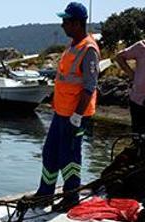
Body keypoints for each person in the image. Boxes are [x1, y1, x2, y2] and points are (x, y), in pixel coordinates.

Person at [31, 2, 100, 211]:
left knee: (69, 157)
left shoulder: (88, 49)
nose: (62, 25)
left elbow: (89, 86)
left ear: (77, 23)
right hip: (61, 112)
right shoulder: (72, 46)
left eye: (66, 21)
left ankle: (71, 197)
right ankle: (45, 193)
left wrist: (77, 116)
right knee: (50, 152)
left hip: (75, 115)